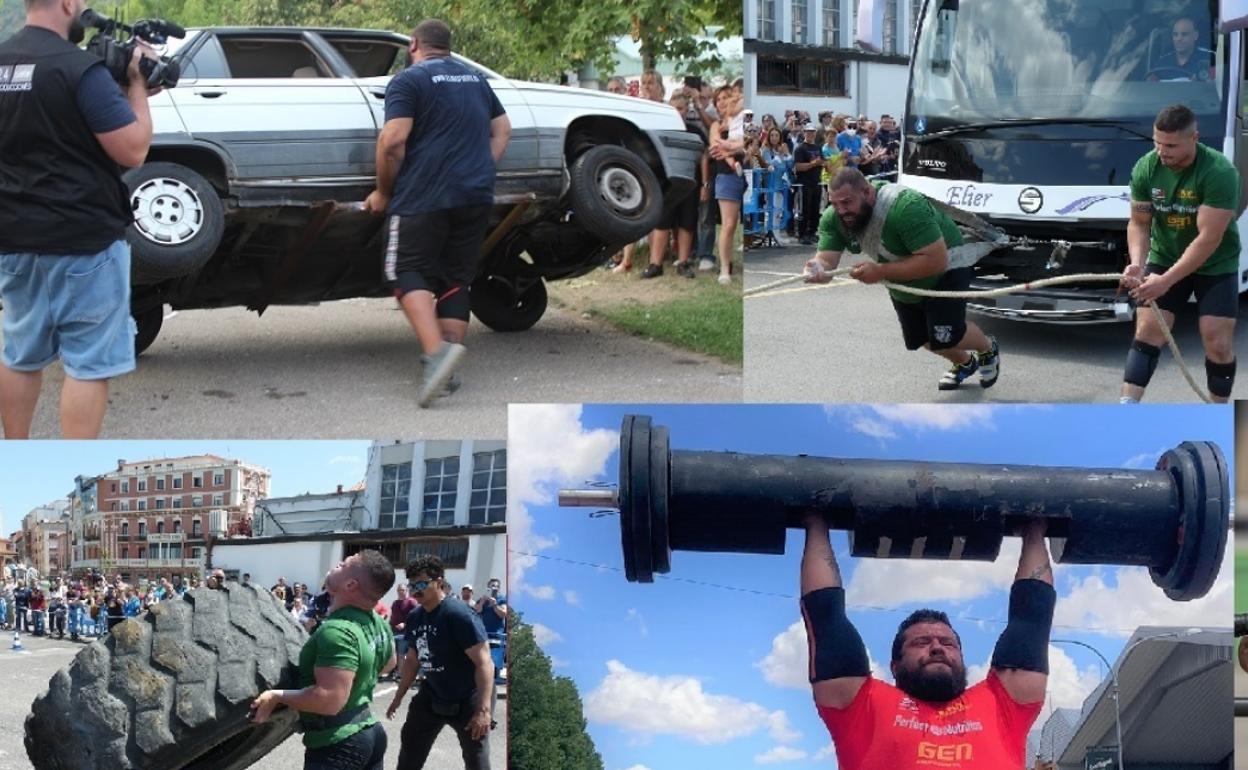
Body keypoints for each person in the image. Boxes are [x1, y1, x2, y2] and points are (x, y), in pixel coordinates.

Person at [0, 0, 161, 438]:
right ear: (68, 3)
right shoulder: (78, 69)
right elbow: (132, 149)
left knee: (19, 353)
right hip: (83, 241)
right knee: (88, 364)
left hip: (13, 238)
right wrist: (137, 86)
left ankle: (14, 449)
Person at [802, 513, 1053, 769]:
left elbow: (1032, 619)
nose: (937, 648)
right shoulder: (861, 706)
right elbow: (826, 616)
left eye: (948, 643)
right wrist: (817, 523)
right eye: (921, 642)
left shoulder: (1002, 703)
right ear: (895, 666)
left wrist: (1034, 530)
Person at [365, 18, 512, 408]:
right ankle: (448, 370)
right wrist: (481, 167)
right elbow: (503, 131)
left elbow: (393, 139)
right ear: (448, 46)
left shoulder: (408, 80)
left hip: (423, 196)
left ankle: (437, 355)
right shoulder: (476, 80)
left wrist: (383, 190)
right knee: (455, 278)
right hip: (475, 194)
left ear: (414, 44)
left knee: (404, 271)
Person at [803, 168, 1001, 391]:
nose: (841, 210)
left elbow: (936, 261)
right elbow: (826, 261)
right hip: (901, 274)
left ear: (867, 192)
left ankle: (987, 348)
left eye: (847, 202)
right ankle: (965, 364)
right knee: (922, 338)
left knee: (946, 335)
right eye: (835, 204)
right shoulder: (835, 217)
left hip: (947, 267)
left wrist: (880, 272)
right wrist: (818, 267)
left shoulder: (905, 207)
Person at [1120, 104, 1239, 403]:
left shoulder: (1220, 172)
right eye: (1157, 143)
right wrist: (1138, 264)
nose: (1162, 152)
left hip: (1215, 261)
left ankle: (1217, 412)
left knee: (1218, 341)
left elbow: (1208, 239)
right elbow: (1139, 223)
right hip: (1166, 253)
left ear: (1194, 138)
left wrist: (1166, 281)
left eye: (1171, 145)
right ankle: (1126, 408)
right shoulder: (1146, 167)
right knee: (1148, 331)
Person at [251, 551, 397, 770]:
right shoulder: (377, 621)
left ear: (350, 585)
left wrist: (276, 696)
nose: (337, 564)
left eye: (343, 565)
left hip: (339, 744)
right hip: (369, 732)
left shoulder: (337, 631)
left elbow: (328, 701)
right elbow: (389, 663)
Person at [388, 555, 495, 770]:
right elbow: (412, 660)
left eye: (421, 583)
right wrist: (398, 697)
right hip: (434, 692)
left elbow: (485, 663)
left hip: (469, 695)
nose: (415, 590)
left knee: (477, 758)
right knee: (411, 743)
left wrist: (483, 711)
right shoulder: (415, 617)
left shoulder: (458, 614)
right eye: (412, 585)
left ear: (439, 581)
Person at [1149, 17, 1215, 81]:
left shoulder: (1210, 59)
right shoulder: (1162, 64)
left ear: (1195, 36)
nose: (1179, 39)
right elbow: (1149, 88)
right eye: (1175, 35)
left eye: (1184, 34)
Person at [792, 124, 825, 245]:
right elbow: (798, 167)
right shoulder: (800, 148)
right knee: (804, 209)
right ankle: (802, 234)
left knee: (815, 210)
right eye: (808, 132)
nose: (810, 134)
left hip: (816, 182)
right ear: (804, 133)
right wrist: (813, 164)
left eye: (812, 132)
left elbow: (822, 162)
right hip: (804, 183)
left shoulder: (818, 147)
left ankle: (812, 232)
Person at [389, 583, 419, 682]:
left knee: (402, 654)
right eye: (399, 590)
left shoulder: (412, 602)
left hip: (405, 633)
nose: (401, 592)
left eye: (402, 590)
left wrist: (405, 624)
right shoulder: (395, 603)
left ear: (407, 591)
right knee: (395, 654)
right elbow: (392, 617)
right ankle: (397, 672)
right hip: (394, 632)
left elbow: (415, 617)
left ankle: (401, 675)